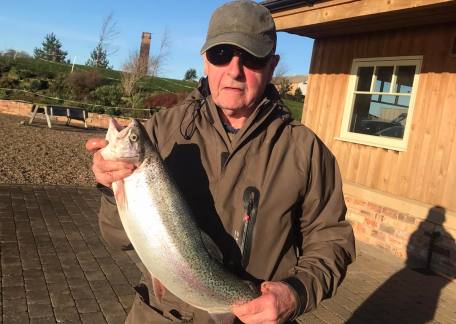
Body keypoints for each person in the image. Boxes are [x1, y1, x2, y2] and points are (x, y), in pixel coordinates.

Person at [86, 1, 355, 323]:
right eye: (221, 54)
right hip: (162, 314)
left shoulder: (306, 150)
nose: (234, 70)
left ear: (273, 65)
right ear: (205, 61)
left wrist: (297, 292)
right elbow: (118, 239)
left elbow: (330, 238)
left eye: (252, 58)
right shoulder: (159, 132)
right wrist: (110, 187)